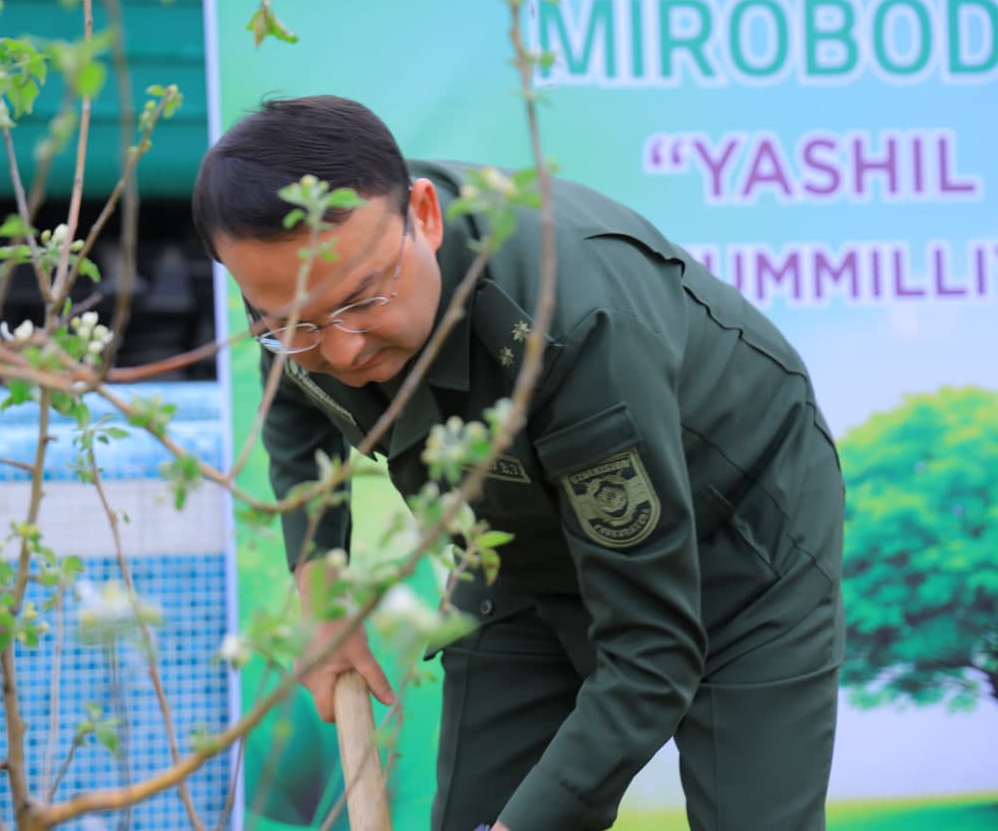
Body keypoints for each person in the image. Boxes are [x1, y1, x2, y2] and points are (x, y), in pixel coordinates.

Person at [193, 95, 845, 831]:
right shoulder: (297, 291)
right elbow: (293, 405)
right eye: (293, 325)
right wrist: (327, 602)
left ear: (424, 216)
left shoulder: (575, 326)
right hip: (517, 546)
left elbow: (651, 650)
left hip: (732, 541)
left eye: (363, 301)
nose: (341, 350)